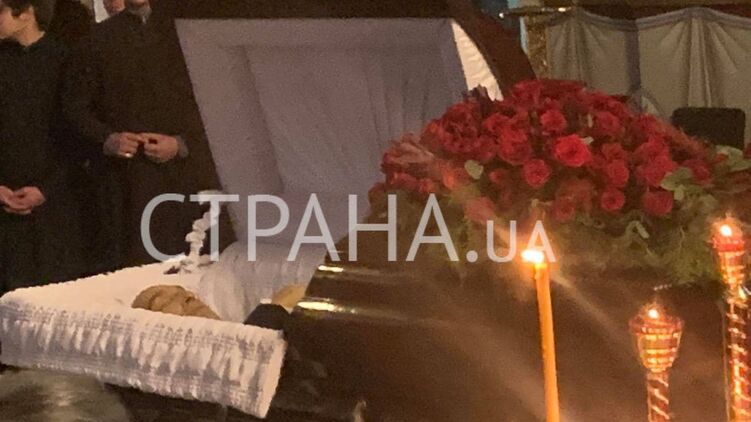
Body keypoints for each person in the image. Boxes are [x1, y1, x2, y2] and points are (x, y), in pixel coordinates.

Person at [64, 0, 227, 269]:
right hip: (126, 184)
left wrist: (182, 144)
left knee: (195, 267)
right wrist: (107, 139)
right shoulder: (99, 38)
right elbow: (74, 107)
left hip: (187, 179)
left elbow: (221, 101)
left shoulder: (189, 30)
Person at [0, 0, 83, 294]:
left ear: (27, 13)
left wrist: (46, 189)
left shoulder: (65, 60)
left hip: (56, 206)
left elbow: (77, 138)